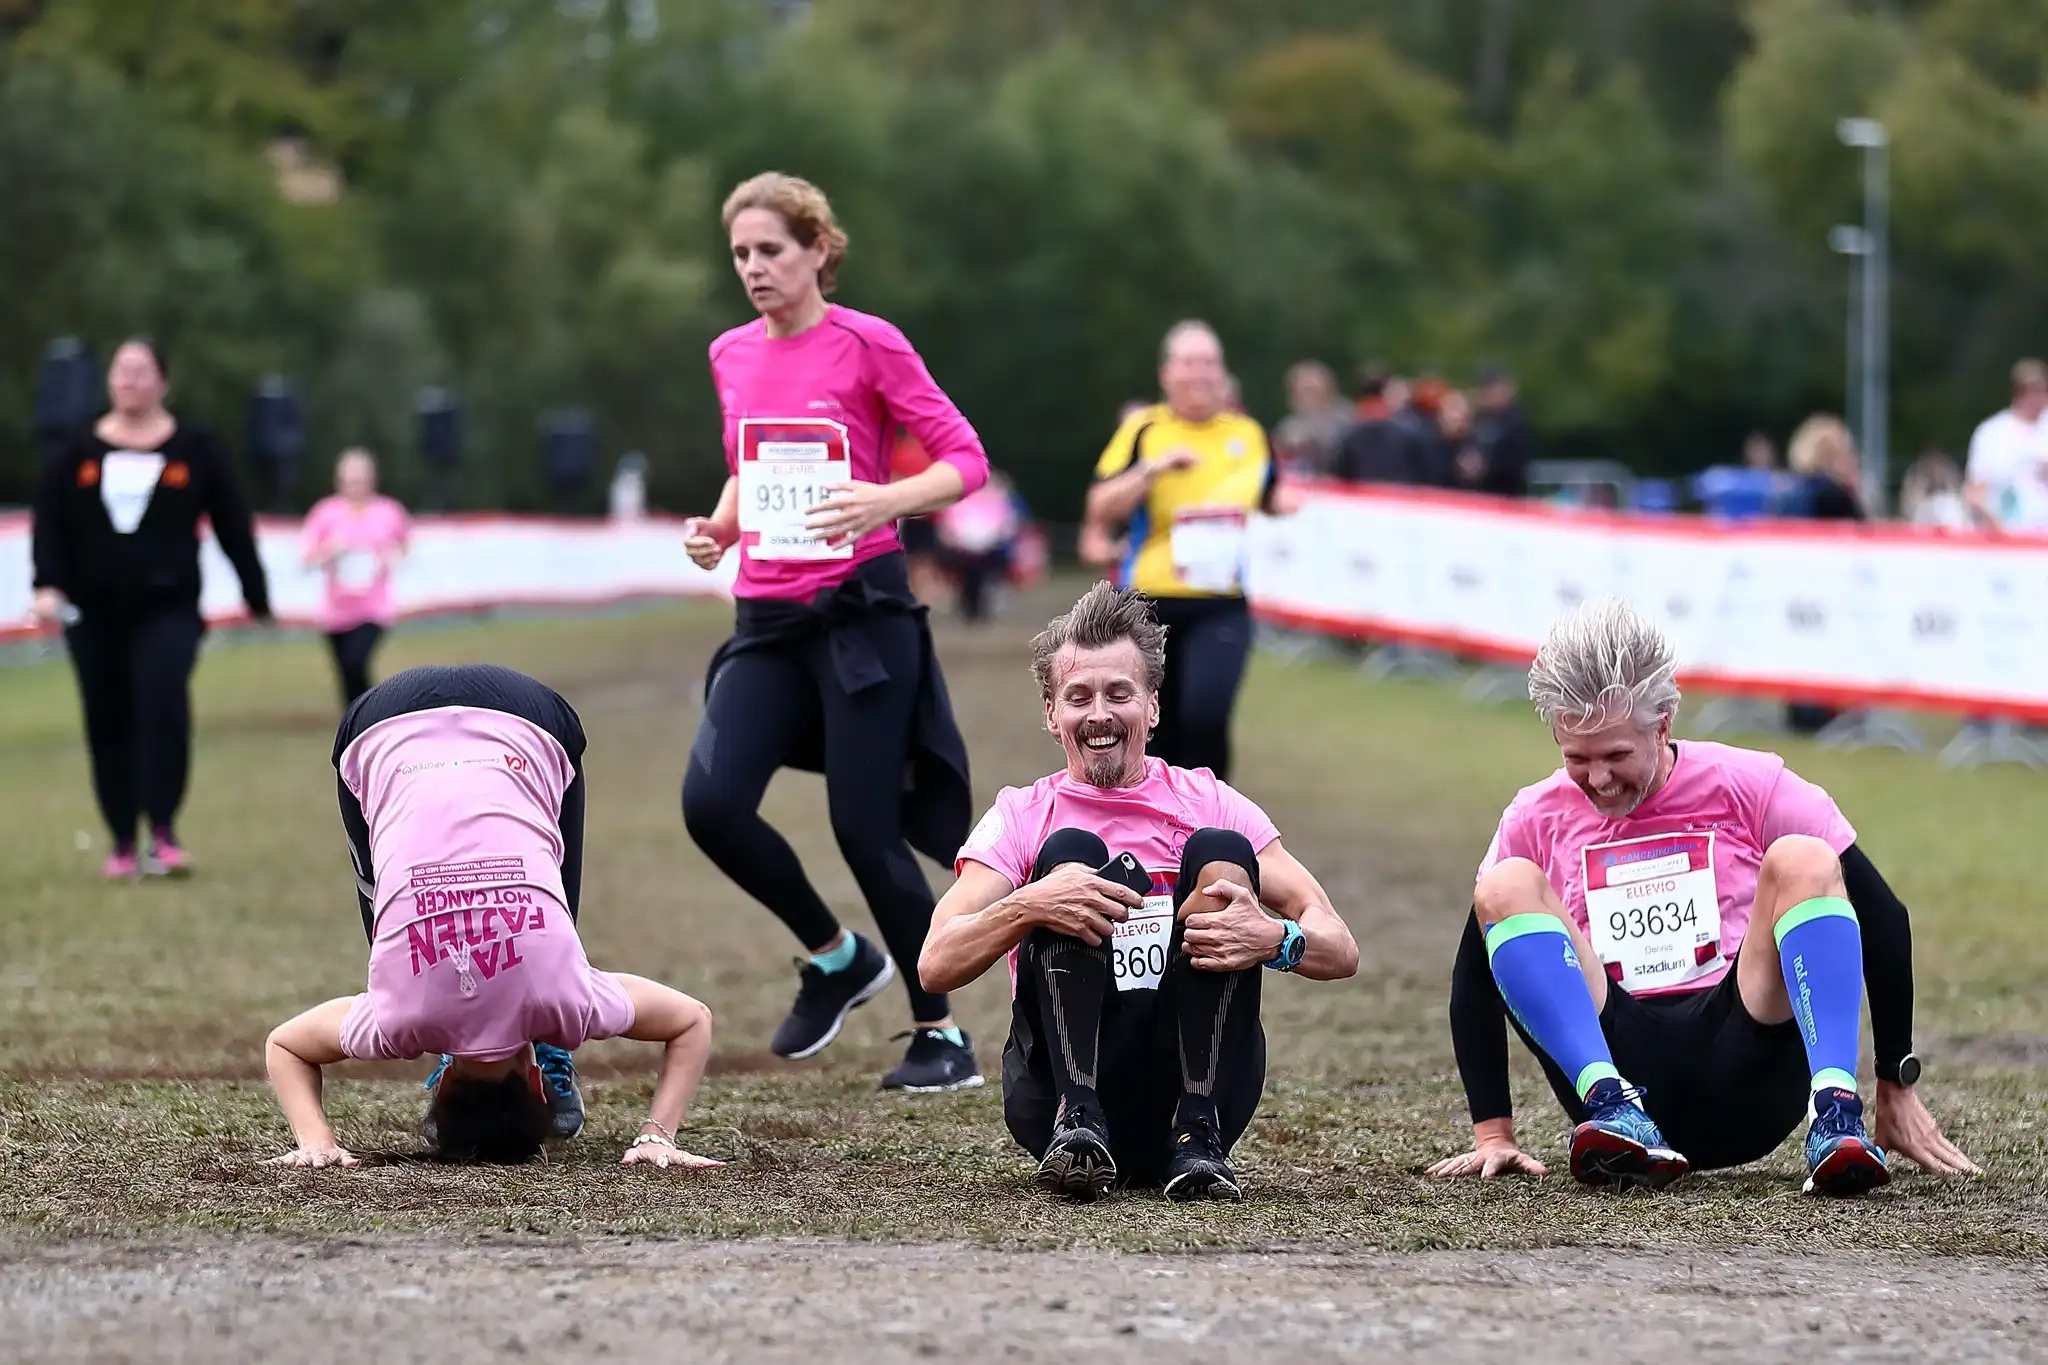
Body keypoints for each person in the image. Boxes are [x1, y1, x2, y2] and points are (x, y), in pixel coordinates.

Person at [1432, 599, 1979, 1194]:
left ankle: (1837, 1116)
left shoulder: (1753, 784)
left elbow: (1883, 916)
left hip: (1746, 1067)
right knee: (1503, 883)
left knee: (1805, 857)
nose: (1598, 778)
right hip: (1614, 1070)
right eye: (1576, 759)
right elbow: (1476, 969)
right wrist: (1493, 1133)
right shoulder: (1535, 815)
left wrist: (1895, 1084)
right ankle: (1614, 1108)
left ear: (1662, 723)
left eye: (1617, 754)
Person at [679, 172, 988, 1092]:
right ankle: (836, 955)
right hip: (766, 618)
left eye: (770, 249)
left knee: (863, 822)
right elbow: (750, 463)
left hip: (861, 615)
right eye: (741, 253)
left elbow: (965, 461)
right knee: (713, 804)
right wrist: (720, 527)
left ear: (818, 249)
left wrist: (885, 500)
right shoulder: (729, 352)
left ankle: (941, 1033)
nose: (754, 268)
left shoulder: (869, 343)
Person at [922, 583, 1358, 1201]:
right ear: (1053, 715)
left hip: (1196, 1090)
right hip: (1053, 1100)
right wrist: (1030, 904)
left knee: (1223, 855)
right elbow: (935, 962)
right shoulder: (1022, 814)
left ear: (1152, 706)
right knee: (1067, 856)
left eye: (1118, 693)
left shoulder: (1209, 799)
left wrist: (1275, 938)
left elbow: (1340, 946)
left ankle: (1197, 1135)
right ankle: (1079, 1124)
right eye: (1079, 697)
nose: (1099, 713)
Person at [264, 663, 722, 1170]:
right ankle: (488, 1034)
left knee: (556, 916)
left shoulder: (568, 1003)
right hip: (382, 720)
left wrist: (658, 1137)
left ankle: (550, 1049)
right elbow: (286, 1046)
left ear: (534, 1085)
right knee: (392, 932)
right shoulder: (396, 1020)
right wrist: (315, 1142)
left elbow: (691, 1022)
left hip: (528, 716)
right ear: (441, 1090)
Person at [29, 338, 271, 880]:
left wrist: (256, 595)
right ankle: (120, 838)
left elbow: (232, 522)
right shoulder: (75, 451)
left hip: (169, 608)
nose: (129, 381)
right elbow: (51, 526)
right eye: (120, 371)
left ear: (162, 381)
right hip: (93, 613)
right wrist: (48, 585)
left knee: (162, 704)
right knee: (106, 716)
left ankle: (162, 830)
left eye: (140, 372)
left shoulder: (196, 447)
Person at [1083, 321, 1295, 782]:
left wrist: (1295, 505)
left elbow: (1270, 494)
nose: (1200, 373)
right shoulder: (1146, 429)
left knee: (1207, 713)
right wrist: (1152, 471)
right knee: (1152, 725)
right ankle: (1153, 826)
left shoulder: (1248, 433)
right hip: (1145, 603)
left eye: (1210, 363)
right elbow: (1100, 506)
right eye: (1189, 362)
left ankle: (1208, 823)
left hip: (1221, 600)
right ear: (1167, 373)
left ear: (1223, 373)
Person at [301, 448, 411, 708]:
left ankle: (372, 712)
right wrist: (330, 550)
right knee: (346, 674)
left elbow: (405, 547)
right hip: (336, 613)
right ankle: (355, 724)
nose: (356, 487)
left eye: (361, 480)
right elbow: (306, 558)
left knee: (356, 661)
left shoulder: (389, 511)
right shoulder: (325, 513)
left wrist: (391, 557)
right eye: (350, 481)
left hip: (373, 609)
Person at [1964, 359, 2048, 531]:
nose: (2037, 397)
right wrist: (1999, 528)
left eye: (2041, 390)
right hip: (2004, 534)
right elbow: (1974, 491)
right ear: (2018, 392)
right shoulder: (1992, 433)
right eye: (2030, 390)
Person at [933, 469, 1025, 624]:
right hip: (963, 549)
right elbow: (948, 526)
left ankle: (985, 603)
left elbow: (1007, 526)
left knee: (989, 571)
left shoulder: (998, 500)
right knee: (965, 572)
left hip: (991, 548)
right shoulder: (959, 500)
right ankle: (969, 606)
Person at [1271, 360, 1348, 479]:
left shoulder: (1346, 418)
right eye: (1303, 391)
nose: (1309, 396)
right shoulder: (1289, 426)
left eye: (1312, 390)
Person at [1470, 366, 1533, 497]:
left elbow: (1518, 462)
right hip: (1478, 492)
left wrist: (1487, 468)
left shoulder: (1516, 422)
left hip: (1505, 493)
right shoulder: (1479, 419)